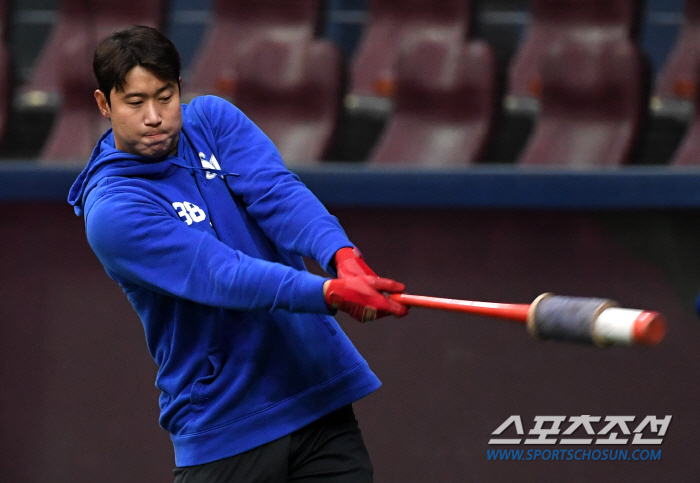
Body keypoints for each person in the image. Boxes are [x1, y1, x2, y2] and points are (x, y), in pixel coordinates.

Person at [68, 25, 409, 482]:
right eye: (134, 102)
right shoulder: (113, 210)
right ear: (103, 104)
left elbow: (278, 193)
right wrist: (327, 293)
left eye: (165, 96)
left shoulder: (211, 120)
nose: (154, 116)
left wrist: (340, 254)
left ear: (180, 90)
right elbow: (221, 275)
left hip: (316, 397)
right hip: (224, 426)